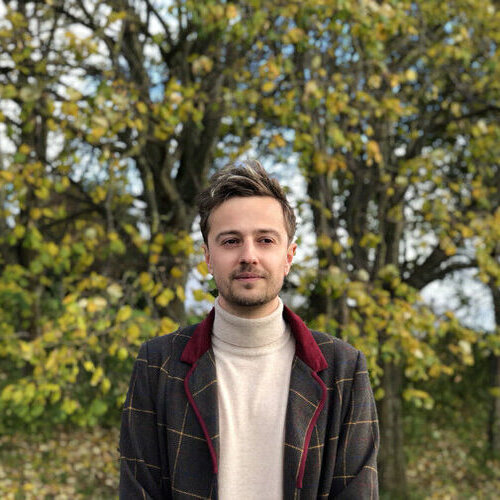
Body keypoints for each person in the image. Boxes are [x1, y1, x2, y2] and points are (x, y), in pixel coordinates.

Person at [119, 160, 379, 499]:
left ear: (289, 256)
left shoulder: (343, 369)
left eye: (265, 240)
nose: (248, 256)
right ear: (207, 257)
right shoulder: (158, 364)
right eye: (231, 241)